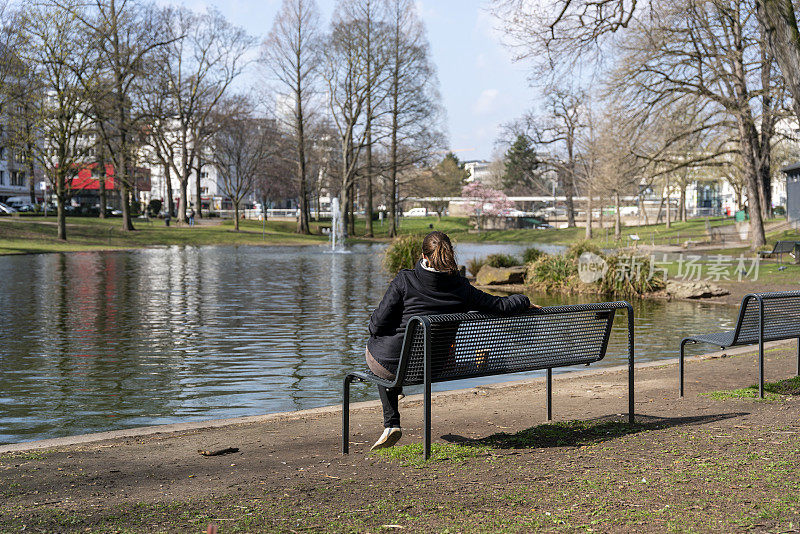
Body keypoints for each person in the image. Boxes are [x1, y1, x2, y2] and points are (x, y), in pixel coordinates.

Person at [365, 231, 537, 450]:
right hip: (434, 367)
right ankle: (395, 397)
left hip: (394, 366)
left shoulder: (405, 280)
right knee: (393, 356)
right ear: (449, 255)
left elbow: (377, 324)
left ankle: (392, 422)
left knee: (377, 350)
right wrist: (523, 300)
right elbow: (499, 306)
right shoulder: (461, 287)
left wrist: (375, 331)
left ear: (423, 256)